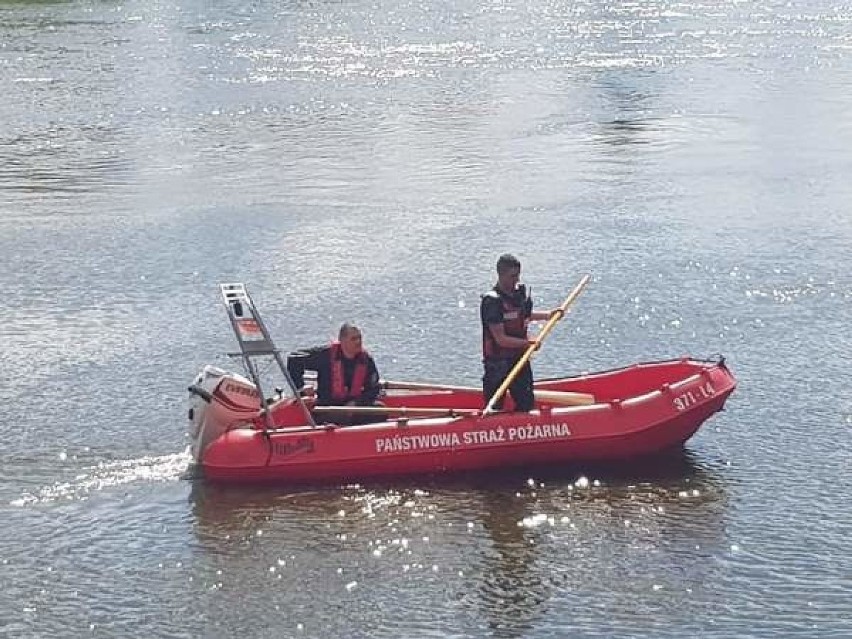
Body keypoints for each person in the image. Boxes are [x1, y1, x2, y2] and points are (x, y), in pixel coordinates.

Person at [480, 254, 559, 412]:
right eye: (512, 276)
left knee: (526, 403)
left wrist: (549, 315)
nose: (516, 280)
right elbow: (501, 339)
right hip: (498, 365)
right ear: (501, 275)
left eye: (518, 275)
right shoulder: (492, 302)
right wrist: (528, 343)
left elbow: (523, 316)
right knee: (495, 408)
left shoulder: (517, 295)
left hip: (519, 360)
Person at [286, 322, 383, 425]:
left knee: (380, 410)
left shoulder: (366, 360)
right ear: (342, 340)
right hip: (327, 409)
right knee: (340, 416)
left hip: (353, 407)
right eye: (353, 339)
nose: (358, 342)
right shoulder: (325, 356)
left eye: (359, 338)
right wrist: (301, 389)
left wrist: (356, 403)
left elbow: (373, 389)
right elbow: (294, 359)